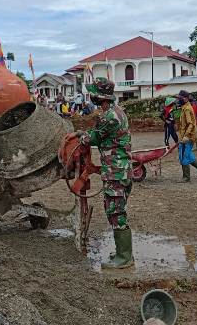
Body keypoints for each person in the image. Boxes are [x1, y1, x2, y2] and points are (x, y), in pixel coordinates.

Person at [77, 78, 134, 269]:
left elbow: (93, 137)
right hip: (119, 171)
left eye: (93, 93)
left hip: (116, 172)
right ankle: (121, 252)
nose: (91, 96)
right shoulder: (116, 112)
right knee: (115, 210)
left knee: (116, 212)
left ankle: (125, 258)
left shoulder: (109, 116)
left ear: (100, 96)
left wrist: (81, 136)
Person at [176, 90, 197, 182]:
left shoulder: (187, 109)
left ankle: (186, 177)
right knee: (189, 156)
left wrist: (186, 136)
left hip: (188, 137)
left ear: (185, 99)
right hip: (186, 136)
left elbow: (190, 124)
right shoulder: (184, 107)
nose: (179, 100)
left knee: (184, 156)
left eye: (180, 98)